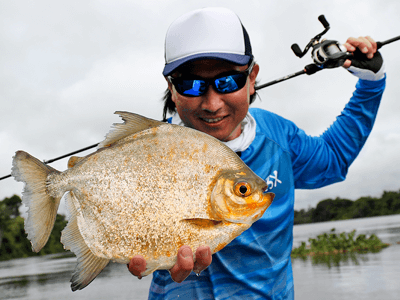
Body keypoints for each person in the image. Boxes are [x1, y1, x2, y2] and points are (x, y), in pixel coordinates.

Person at [127, 7, 386, 299]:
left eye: (228, 81)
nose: (212, 104)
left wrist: (371, 85)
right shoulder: (147, 154)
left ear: (252, 78)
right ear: (172, 89)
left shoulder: (278, 137)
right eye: (192, 85)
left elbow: (333, 158)